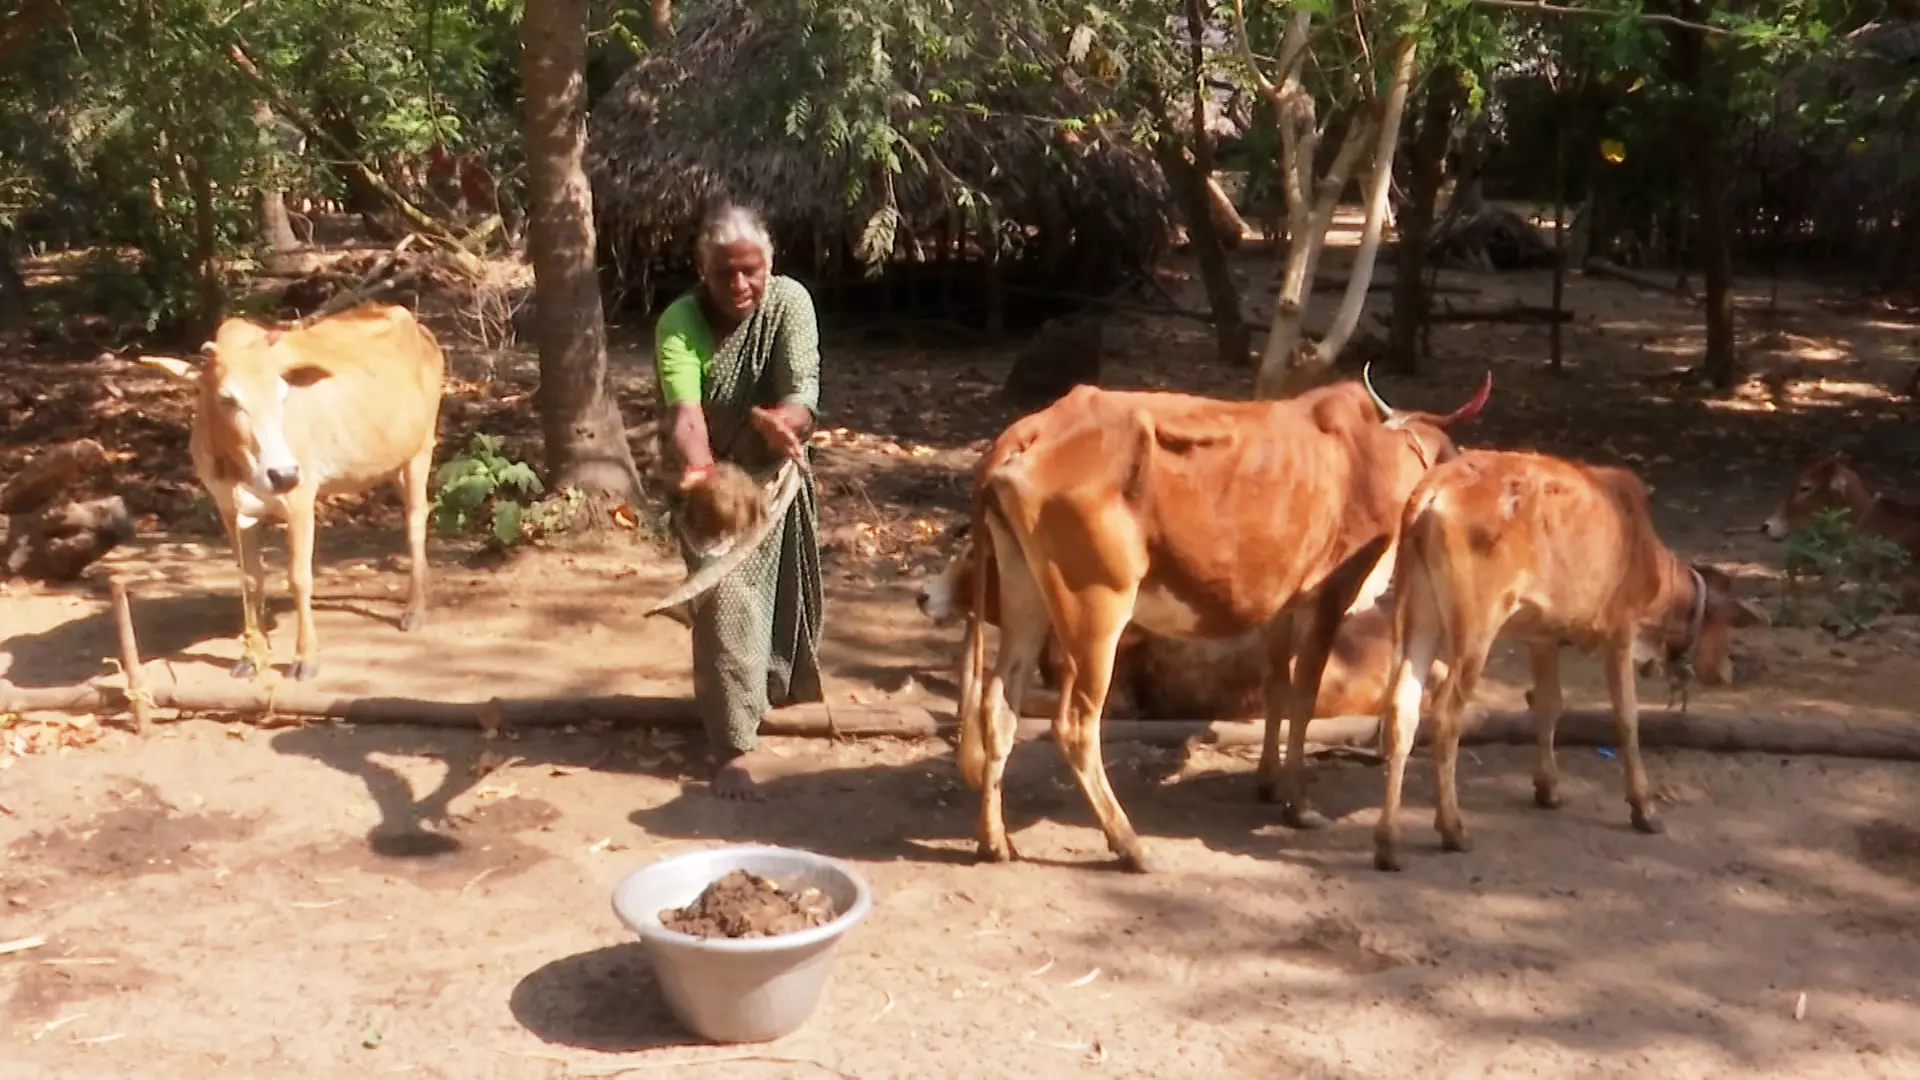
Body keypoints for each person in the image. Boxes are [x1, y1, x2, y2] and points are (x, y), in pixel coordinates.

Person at [653, 203, 826, 800]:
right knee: (725, 598)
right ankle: (730, 748)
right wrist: (702, 472)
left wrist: (787, 423)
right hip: (707, 488)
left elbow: (802, 392)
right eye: (724, 272)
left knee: (770, 602)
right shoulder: (679, 321)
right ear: (703, 269)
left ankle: (759, 695)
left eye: (751, 270)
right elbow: (685, 414)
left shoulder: (789, 304)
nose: (739, 284)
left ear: (769, 265)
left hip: (773, 478)